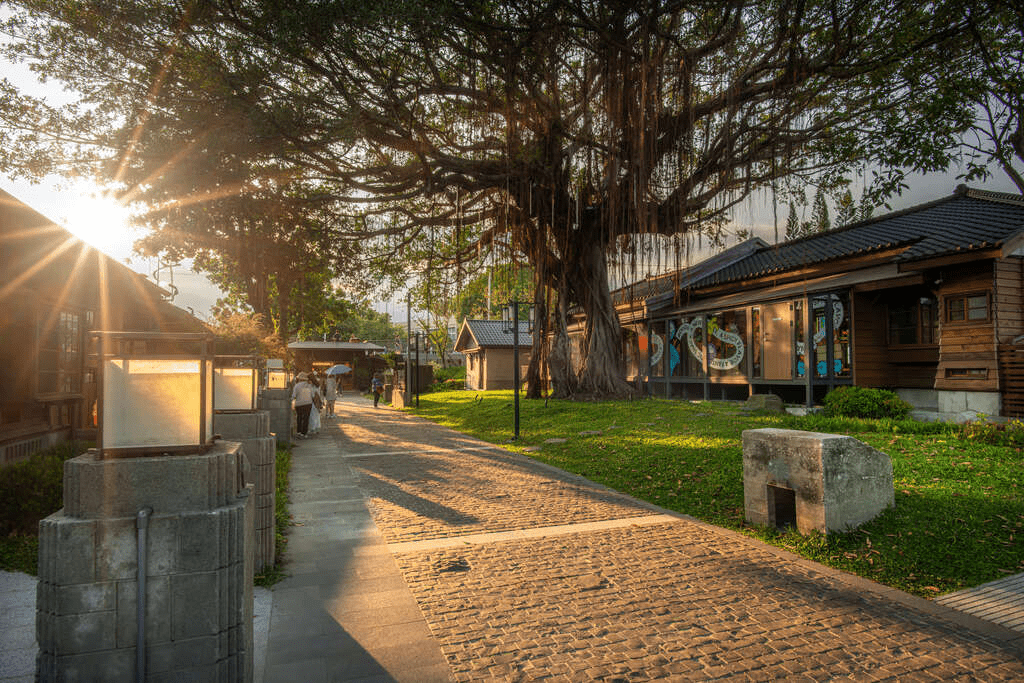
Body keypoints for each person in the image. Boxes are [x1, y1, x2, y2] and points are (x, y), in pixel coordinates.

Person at [291, 371, 315, 439]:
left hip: (299, 404)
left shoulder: (297, 386)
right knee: (306, 419)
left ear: (299, 378)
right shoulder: (309, 385)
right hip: (308, 403)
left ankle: (299, 432)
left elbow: (294, 396)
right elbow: (313, 395)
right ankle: (304, 433)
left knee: (299, 417)